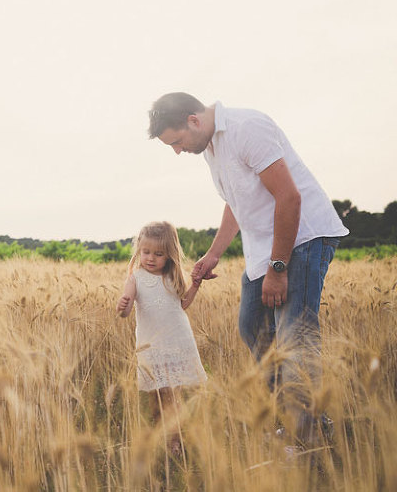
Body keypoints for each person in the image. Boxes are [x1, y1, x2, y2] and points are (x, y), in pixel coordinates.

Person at [147, 92, 348, 448]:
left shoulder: (246, 128)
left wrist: (278, 267)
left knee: (294, 336)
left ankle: (307, 436)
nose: (178, 151)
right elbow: (236, 204)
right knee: (252, 326)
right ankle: (304, 417)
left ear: (194, 120)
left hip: (301, 238)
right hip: (266, 249)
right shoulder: (210, 148)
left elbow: (289, 197)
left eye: (177, 142)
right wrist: (213, 253)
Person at [116, 221, 208, 456]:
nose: (150, 258)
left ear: (169, 255)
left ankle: (173, 441)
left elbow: (183, 304)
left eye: (158, 254)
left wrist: (195, 285)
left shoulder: (172, 277)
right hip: (152, 346)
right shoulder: (135, 279)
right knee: (157, 398)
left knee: (172, 396)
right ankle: (166, 436)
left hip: (176, 341)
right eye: (146, 252)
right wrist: (123, 306)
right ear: (139, 251)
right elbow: (125, 313)